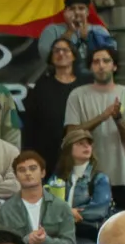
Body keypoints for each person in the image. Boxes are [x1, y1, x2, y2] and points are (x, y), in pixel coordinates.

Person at [64, 44, 125, 210]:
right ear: (90, 67)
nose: (101, 65)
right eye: (96, 62)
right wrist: (103, 116)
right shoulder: (77, 95)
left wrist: (117, 118)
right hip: (85, 177)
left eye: (106, 61)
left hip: (120, 176)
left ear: (114, 66)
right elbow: (71, 135)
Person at [0, 149, 76, 244]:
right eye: (22, 170)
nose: (28, 173)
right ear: (16, 176)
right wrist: (28, 241)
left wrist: (45, 242)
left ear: (42, 172)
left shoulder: (61, 207)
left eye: (33, 168)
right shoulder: (4, 212)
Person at [57, 127, 112, 244]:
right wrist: (68, 213)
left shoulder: (99, 178)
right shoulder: (58, 178)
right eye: (80, 143)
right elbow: (49, 206)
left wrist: (65, 214)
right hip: (59, 242)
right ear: (69, 148)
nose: (86, 147)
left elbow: (99, 210)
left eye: (88, 143)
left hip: (86, 241)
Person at [19, 35, 81, 171]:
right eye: (56, 50)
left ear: (74, 56)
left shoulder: (83, 86)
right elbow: (30, 124)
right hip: (46, 153)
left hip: (78, 152)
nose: (60, 53)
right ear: (51, 58)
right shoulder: (41, 86)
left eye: (65, 50)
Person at [36, 0, 116, 70]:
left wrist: (87, 39)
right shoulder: (52, 30)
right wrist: (70, 31)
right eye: (72, 9)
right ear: (65, 12)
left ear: (87, 12)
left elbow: (110, 55)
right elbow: (47, 56)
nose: (77, 12)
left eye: (81, 8)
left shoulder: (99, 30)